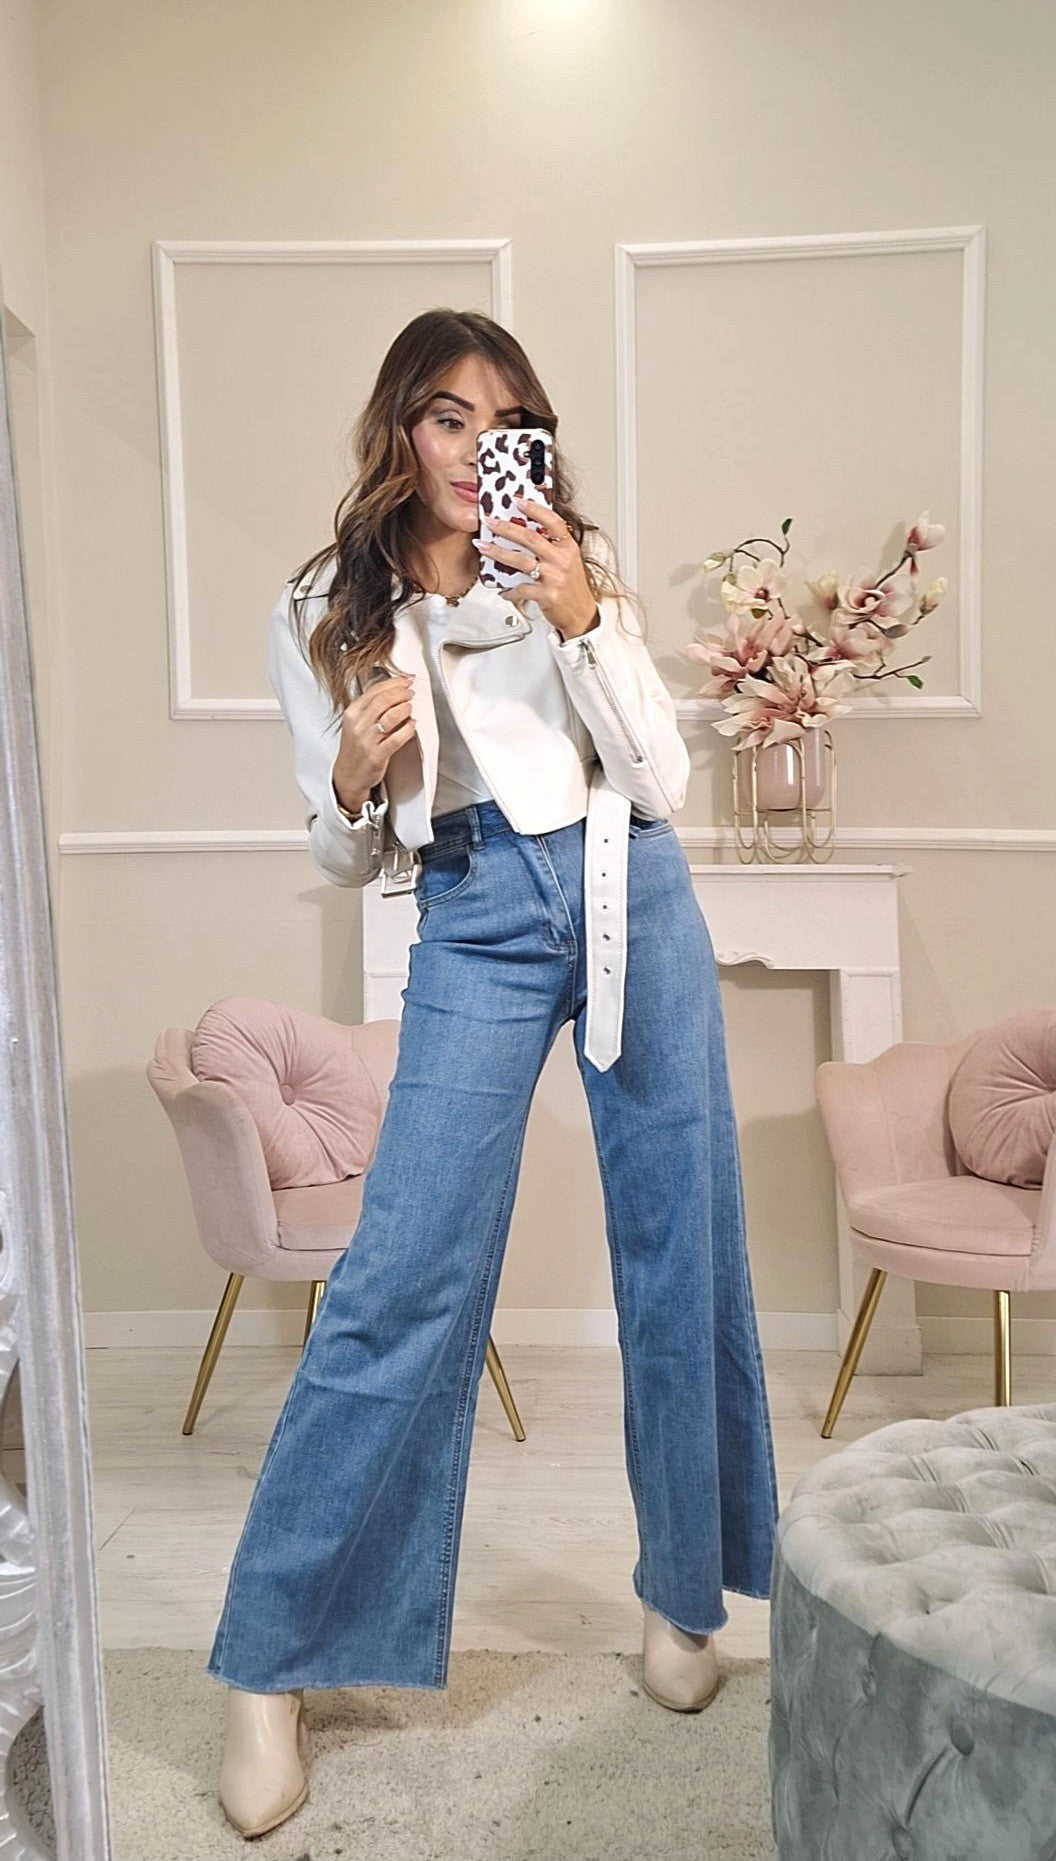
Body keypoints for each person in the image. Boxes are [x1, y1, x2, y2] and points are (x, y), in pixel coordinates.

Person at [207, 307, 779, 1839]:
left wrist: (583, 614)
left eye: (505, 421)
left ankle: (685, 1594)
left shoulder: (568, 559)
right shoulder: (322, 603)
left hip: (629, 881)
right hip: (471, 904)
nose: (478, 448)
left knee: (680, 1244)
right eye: (450, 417)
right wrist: (351, 772)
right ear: (401, 428)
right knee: (402, 1275)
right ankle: (268, 1660)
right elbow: (342, 848)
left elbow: (660, 778)